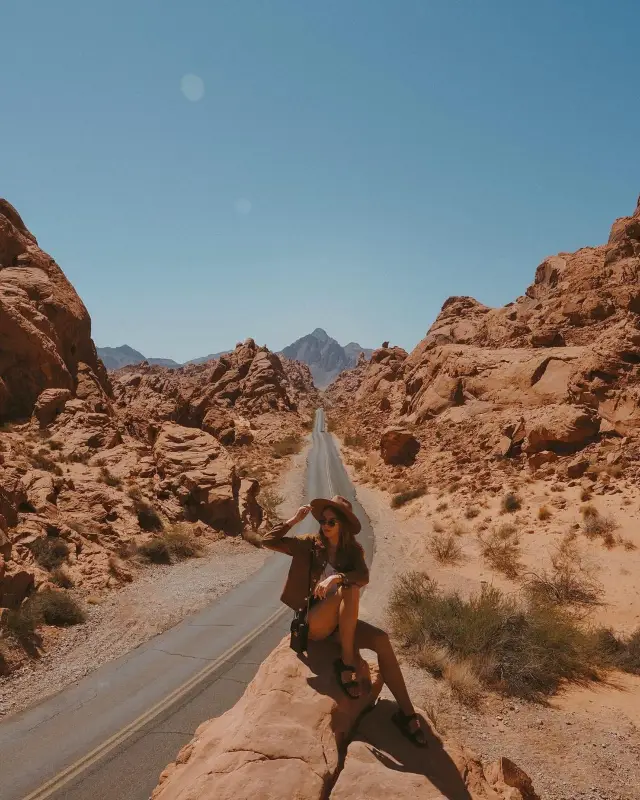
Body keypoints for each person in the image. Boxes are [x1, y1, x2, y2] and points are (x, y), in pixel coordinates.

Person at [261, 494, 428, 747]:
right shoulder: (309, 544)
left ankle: (407, 714)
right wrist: (294, 520)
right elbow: (268, 541)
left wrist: (337, 576)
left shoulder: (353, 552)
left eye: (332, 522)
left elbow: (363, 576)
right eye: (324, 521)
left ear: (344, 526)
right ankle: (347, 664)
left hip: (340, 627)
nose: (325, 526)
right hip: (314, 623)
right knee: (347, 589)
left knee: (382, 639)